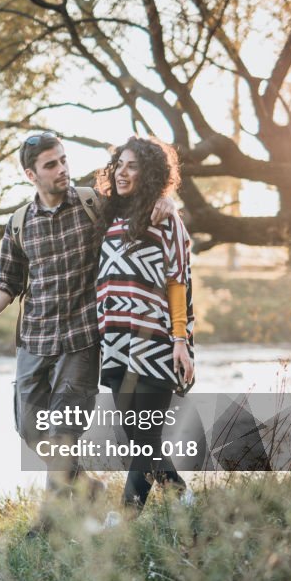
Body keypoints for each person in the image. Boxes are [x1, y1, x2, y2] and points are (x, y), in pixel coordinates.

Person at [0, 131, 174, 533]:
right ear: (30, 175)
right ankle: (86, 486)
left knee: (61, 432)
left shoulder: (93, 205)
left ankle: (49, 520)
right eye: (51, 165)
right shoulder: (19, 224)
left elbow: (140, 200)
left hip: (81, 340)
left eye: (63, 160)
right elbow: (6, 281)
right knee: (29, 428)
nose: (62, 170)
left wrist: (164, 199)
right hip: (34, 340)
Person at [94, 136, 195, 514]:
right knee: (134, 438)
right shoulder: (106, 213)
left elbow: (177, 281)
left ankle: (124, 518)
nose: (122, 171)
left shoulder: (166, 217)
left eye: (132, 165)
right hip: (116, 340)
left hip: (155, 341)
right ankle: (181, 494)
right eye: (119, 164)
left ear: (150, 171)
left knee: (146, 436)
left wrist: (180, 340)